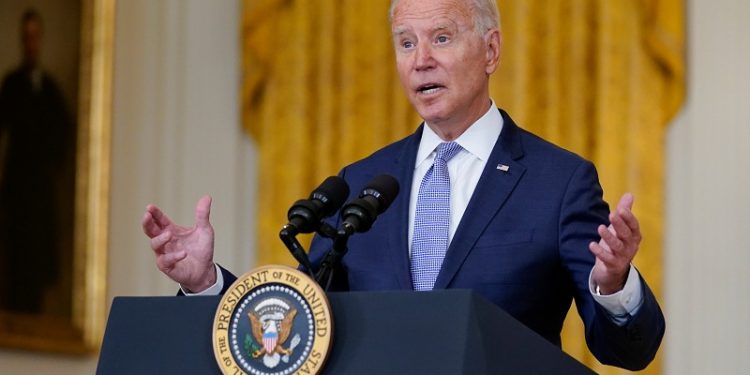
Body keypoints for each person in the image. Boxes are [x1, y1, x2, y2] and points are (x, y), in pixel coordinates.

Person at [143, 0, 664, 370]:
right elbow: (299, 329)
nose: (421, 60)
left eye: (441, 38)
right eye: (405, 43)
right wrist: (206, 282)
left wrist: (615, 284)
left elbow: (629, 351)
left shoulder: (559, 181)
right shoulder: (362, 184)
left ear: (490, 50)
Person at [0, 9, 75, 313]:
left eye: (35, 37)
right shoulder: (12, 84)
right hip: (16, 191)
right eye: (26, 38)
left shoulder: (50, 89)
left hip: (40, 195)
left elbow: (65, 131)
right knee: (15, 266)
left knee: (36, 270)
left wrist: (50, 164)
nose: (31, 44)